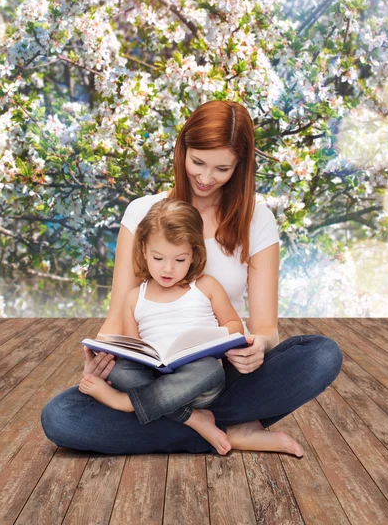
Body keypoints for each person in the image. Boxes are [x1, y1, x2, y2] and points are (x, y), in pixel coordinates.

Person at [41, 99, 343, 456]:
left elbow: (266, 329)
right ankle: (221, 426)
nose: (204, 178)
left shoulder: (257, 220)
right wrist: (99, 358)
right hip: (149, 373)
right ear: (182, 149)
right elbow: (118, 321)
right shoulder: (142, 212)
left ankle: (176, 421)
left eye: (221, 169)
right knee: (60, 417)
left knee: (322, 355)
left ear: (241, 167)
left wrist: (257, 348)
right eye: (197, 162)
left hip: (221, 371)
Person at [79, 198, 245, 455]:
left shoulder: (206, 286)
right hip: (155, 380)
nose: (168, 268)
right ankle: (191, 418)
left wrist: (219, 339)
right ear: (144, 250)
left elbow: (234, 324)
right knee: (119, 369)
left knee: (210, 369)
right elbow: (133, 351)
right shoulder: (135, 297)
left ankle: (125, 403)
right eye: (158, 258)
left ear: (194, 254)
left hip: (198, 382)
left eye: (180, 260)